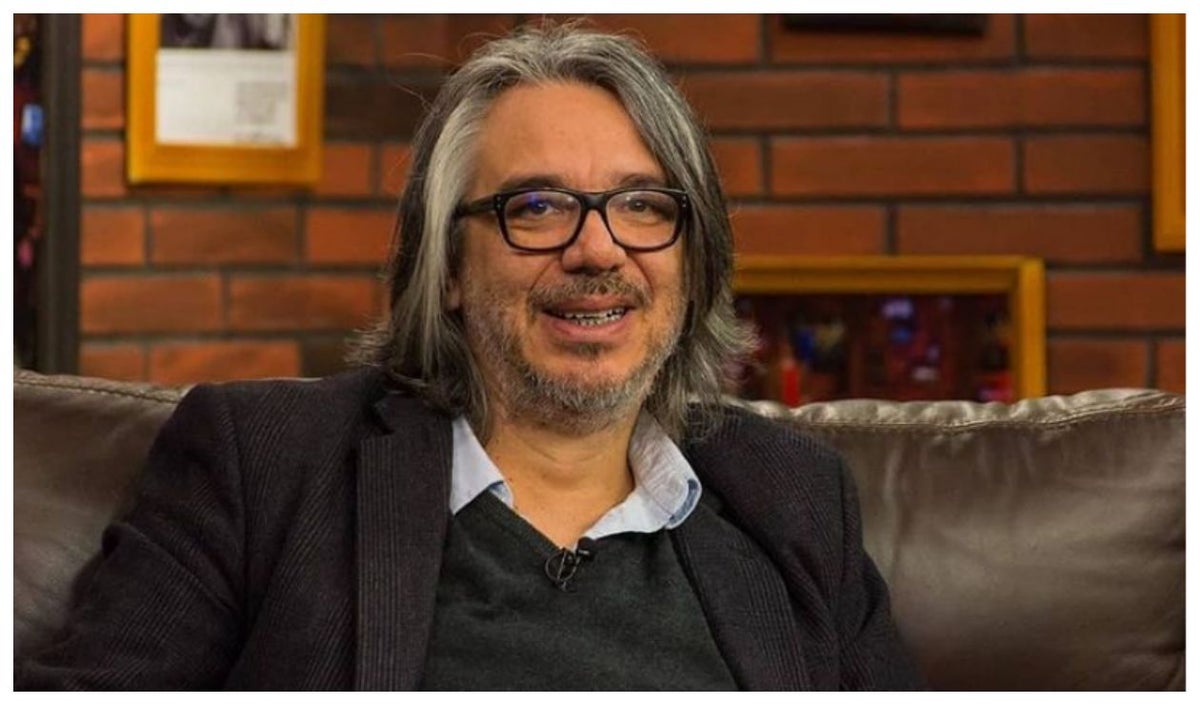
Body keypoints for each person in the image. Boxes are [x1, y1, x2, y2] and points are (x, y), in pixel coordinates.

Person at [17, 24, 921, 690]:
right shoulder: (262, 466)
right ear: (447, 266)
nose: (598, 249)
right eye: (537, 207)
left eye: (643, 204)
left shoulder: (795, 499)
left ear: (693, 259)